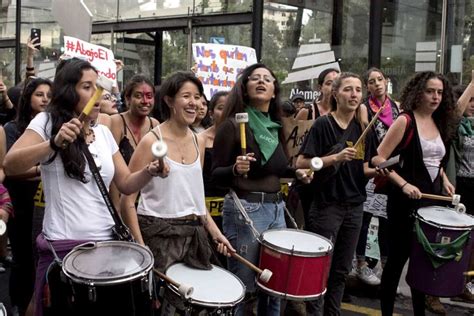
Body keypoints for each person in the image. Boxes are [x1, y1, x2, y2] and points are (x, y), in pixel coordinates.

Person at [2, 58, 164, 316]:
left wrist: (149, 172)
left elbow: (124, 182)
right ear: (68, 91)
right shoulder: (46, 122)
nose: (96, 93)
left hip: (107, 245)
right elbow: (10, 165)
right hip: (66, 248)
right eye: (87, 87)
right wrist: (52, 144)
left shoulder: (103, 133)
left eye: (97, 86)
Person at [212, 63, 309, 316]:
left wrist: (297, 172)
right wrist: (234, 169)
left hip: (277, 208)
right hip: (246, 210)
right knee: (245, 287)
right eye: (254, 78)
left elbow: (276, 169)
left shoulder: (275, 126)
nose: (261, 81)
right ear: (244, 89)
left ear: (275, 90)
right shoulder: (232, 126)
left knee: (274, 286)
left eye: (267, 78)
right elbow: (215, 174)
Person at [119, 71, 233, 272]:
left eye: (197, 97)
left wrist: (215, 232)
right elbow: (127, 200)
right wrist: (140, 246)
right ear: (170, 101)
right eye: (186, 96)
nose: (194, 103)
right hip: (156, 235)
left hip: (194, 236)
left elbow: (196, 199)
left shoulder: (199, 141)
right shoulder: (151, 141)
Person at [372, 71, 457, 316]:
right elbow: (379, 158)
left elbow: (433, 160)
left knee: (422, 263)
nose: (436, 97)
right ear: (418, 92)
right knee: (397, 262)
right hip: (403, 202)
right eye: (430, 91)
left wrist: (444, 179)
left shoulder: (440, 121)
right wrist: (403, 184)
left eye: (440, 92)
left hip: (429, 200)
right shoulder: (405, 120)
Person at [296, 72, 377, 315]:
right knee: (321, 266)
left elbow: (364, 168)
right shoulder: (322, 124)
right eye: (348, 89)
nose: (354, 94)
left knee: (342, 269)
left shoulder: (363, 127)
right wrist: (335, 158)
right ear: (336, 94)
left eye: (358, 90)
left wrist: (380, 172)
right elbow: (302, 163)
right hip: (326, 204)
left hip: (355, 205)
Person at [0, 77, 52, 316]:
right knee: (23, 257)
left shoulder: (54, 127)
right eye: (39, 94)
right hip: (22, 203)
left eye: (49, 95)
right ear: (27, 97)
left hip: (47, 204)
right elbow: (11, 168)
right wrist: (44, 169)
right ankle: (19, 305)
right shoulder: (13, 129)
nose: (45, 99)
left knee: (41, 259)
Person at [354, 67, 399, 286]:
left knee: (386, 222)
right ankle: (361, 264)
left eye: (380, 79)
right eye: (371, 82)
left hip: (392, 170)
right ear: (367, 87)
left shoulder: (397, 106)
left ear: (386, 81)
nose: (377, 84)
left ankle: (384, 265)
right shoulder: (364, 108)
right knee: (364, 221)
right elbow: (365, 135)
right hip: (372, 168)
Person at [199, 91, 229, 237]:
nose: (226, 112)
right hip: (205, 208)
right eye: (221, 107)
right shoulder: (200, 139)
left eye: (230, 107)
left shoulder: (242, 140)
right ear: (211, 113)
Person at [111, 74, 159, 165]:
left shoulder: (155, 124)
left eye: (149, 96)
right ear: (127, 99)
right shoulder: (116, 122)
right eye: (138, 96)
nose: (145, 101)